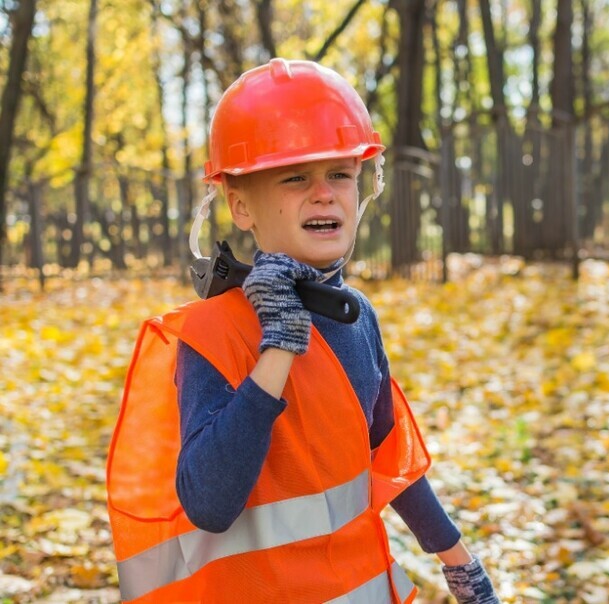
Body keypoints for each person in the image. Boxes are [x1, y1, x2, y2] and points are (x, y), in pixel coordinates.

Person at [106, 58, 499, 603]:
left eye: (340, 173)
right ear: (240, 206)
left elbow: (384, 451)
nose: (324, 192)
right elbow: (210, 502)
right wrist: (279, 344)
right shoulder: (214, 333)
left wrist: (458, 562)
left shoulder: (354, 314)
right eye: (295, 177)